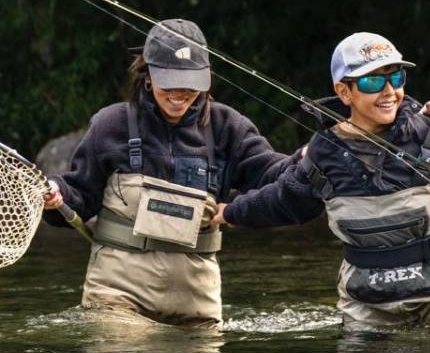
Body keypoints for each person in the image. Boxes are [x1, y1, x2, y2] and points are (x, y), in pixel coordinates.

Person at [211, 32, 430, 334]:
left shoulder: (428, 130)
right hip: (367, 303)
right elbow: (283, 202)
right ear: (344, 92)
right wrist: (230, 212)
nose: (389, 92)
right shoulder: (321, 153)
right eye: (372, 82)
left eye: (395, 78)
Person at [43, 19, 295, 327]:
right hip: (118, 297)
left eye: (190, 82)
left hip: (196, 303)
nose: (180, 92)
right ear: (147, 75)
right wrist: (55, 194)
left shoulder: (228, 128)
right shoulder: (111, 125)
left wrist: (306, 161)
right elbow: (79, 194)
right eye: (169, 81)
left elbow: (274, 175)